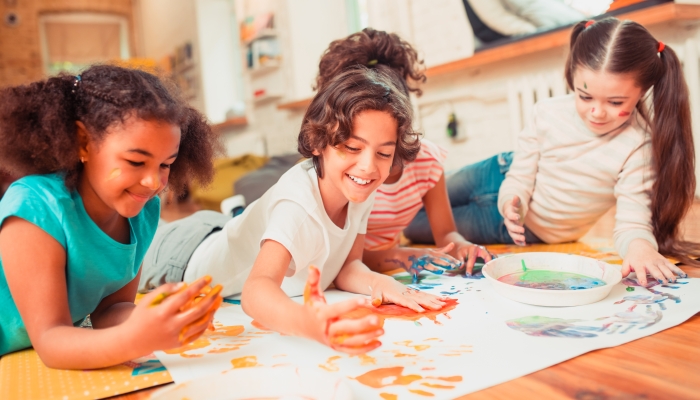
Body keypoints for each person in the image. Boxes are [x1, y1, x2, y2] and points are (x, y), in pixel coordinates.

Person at [139, 67, 448, 355]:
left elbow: (348, 266)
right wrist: (308, 324)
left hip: (221, 230)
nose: (368, 166)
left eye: (384, 153)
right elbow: (256, 291)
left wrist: (385, 284)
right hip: (180, 256)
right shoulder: (299, 206)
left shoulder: (360, 187)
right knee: (121, 244)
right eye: (352, 148)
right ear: (317, 142)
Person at [407, 18, 697, 286]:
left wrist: (641, 248)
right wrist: (511, 199)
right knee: (414, 194)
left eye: (615, 101)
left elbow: (632, 222)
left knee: (411, 227)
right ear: (573, 76)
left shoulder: (638, 146)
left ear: (642, 91)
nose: (596, 112)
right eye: (585, 96)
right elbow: (520, 174)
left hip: (518, 231)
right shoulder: (547, 112)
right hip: (497, 174)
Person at [0, 65, 222, 368]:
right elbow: (51, 340)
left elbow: (110, 311)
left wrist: (159, 317)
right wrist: (136, 338)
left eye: (165, 164)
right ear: (83, 142)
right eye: (135, 161)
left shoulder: (142, 213)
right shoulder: (36, 207)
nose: (153, 183)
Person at [314, 28, 492, 277]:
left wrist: (462, 246)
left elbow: (446, 234)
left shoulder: (426, 161)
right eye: (354, 146)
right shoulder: (345, 171)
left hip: (389, 267)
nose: (367, 164)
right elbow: (337, 258)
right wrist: (401, 256)